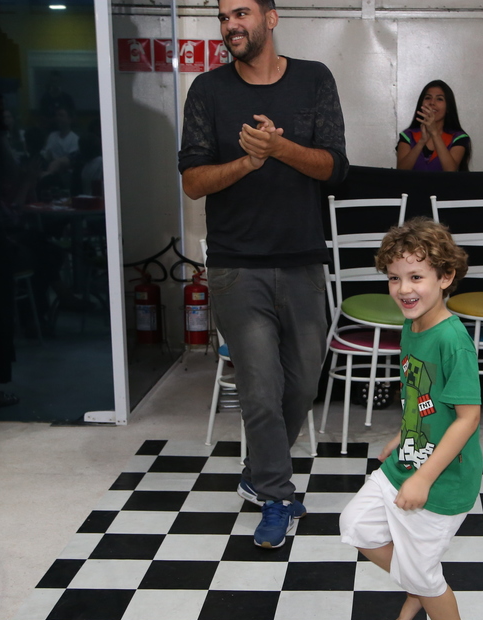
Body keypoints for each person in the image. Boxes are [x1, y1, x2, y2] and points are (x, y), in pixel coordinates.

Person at [179, 0, 348, 548]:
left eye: (241, 13)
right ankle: (276, 495)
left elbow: (334, 167)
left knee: (302, 383)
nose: (231, 25)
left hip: (302, 259)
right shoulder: (208, 90)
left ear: (270, 19)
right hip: (236, 265)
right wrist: (248, 162)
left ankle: (257, 472)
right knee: (260, 386)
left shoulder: (314, 80)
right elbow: (193, 181)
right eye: (224, 17)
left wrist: (279, 148)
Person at [340, 218, 481, 620]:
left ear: (446, 277)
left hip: (443, 477)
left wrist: (423, 477)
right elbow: (422, 396)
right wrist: (405, 435)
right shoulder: (412, 325)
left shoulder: (452, 340)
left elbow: (467, 418)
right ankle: (419, 587)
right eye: (395, 278)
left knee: (422, 570)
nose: (404, 289)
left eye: (416, 276)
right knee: (356, 524)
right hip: (411, 456)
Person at [396, 80, 470, 172]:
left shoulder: (459, 137)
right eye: (428, 98)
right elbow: (401, 172)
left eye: (439, 99)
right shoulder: (408, 135)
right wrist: (421, 142)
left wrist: (434, 133)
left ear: (448, 107)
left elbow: (451, 171)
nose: (432, 103)